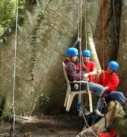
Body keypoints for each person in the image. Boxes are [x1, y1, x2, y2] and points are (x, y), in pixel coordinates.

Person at [64, 47, 104, 117]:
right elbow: (73, 77)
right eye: (75, 56)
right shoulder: (70, 65)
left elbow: (93, 72)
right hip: (80, 85)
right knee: (100, 88)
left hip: (82, 83)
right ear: (70, 56)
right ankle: (94, 109)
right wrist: (82, 73)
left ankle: (89, 109)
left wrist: (84, 75)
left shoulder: (70, 64)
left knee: (98, 88)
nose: (76, 57)